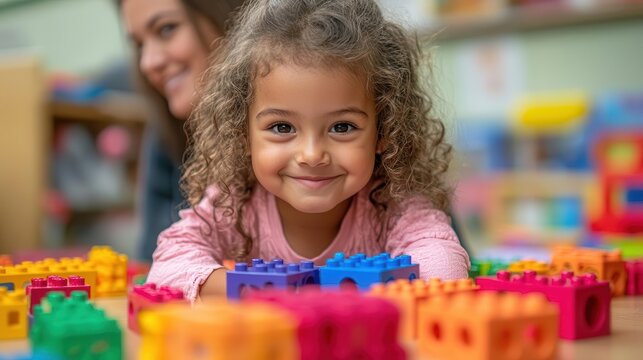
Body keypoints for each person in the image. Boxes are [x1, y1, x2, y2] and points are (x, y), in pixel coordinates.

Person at [147, 0, 471, 302]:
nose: (312, 154)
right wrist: (260, 290)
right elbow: (167, 267)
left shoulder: (393, 203)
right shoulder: (235, 204)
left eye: (342, 127)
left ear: (384, 131)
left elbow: (443, 261)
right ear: (242, 133)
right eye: (282, 128)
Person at [119, 0, 246, 261]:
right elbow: (152, 261)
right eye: (140, 44)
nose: (148, 63)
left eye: (166, 29)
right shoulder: (165, 135)